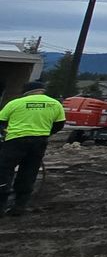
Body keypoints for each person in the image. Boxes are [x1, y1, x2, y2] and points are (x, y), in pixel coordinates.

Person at [0, 77, 66, 217]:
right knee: (29, 171)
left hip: (15, 141)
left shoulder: (15, 103)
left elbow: (1, 121)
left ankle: (1, 205)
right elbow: (59, 124)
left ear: (26, 92)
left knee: (4, 171)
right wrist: (45, 133)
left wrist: (4, 133)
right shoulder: (55, 104)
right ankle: (19, 206)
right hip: (39, 142)